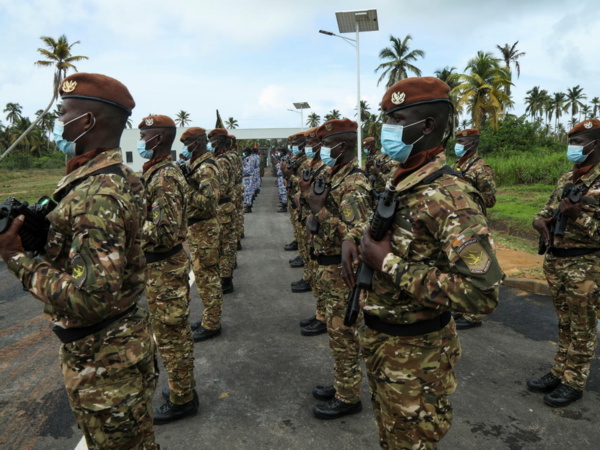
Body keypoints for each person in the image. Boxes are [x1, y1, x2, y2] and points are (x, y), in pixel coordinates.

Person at [342, 77, 503, 448]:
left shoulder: (451, 197)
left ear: (427, 126)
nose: (386, 130)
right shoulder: (403, 181)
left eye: (395, 120)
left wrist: (389, 265)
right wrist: (354, 238)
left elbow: (483, 293)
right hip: (384, 344)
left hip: (418, 356)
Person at [0, 73, 158, 448]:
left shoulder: (97, 192)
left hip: (104, 358)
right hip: (116, 344)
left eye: (63, 114)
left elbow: (91, 300)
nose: (58, 124)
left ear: (85, 122)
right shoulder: (116, 176)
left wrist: (16, 257)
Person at [528, 118, 600, 408]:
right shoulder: (565, 178)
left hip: (586, 266)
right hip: (557, 262)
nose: (573, 148)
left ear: (595, 145)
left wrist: (577, 216)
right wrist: (539, 222)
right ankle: (559, 371)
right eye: (571, 142)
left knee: (582, 326)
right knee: (565, 324)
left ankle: (574, 382)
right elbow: (545, 209)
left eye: (579, 143)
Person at [307, 118, 373, 420]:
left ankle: (348, 396)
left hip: (340, 271)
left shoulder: (353, 182)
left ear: (342, 146)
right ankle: (341, 384)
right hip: (327, 268)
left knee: (344, 336)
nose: (322, 149)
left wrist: (320, 212)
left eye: (327, 144)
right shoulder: (336, 176)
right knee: (337, 336)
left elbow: (356, 233)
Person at [137, 114, 198, 422]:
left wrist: (131, 221)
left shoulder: (164, 177)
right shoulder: (157, 172)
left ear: (157, 139)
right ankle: (181, 387)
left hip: (165, 269)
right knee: (170, 335)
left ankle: (183, 398)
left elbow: (164, 233)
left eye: (143, 135)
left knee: (173, 338)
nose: (139, 141)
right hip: (159, 270)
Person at [180, 127, 224, 342]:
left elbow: (208, 202)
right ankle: (209, 317)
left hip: (205, 228)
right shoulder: (197, 165)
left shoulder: (206, 167)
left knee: (207, 278)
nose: (183, 148)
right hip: (199, 228)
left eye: (185, 143)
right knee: (204, 276)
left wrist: (185, 186)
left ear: (195, 144)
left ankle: (212, 323)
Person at [451, 128, 497, 330]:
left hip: (473, 224)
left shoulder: (481, 168)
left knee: (476, 266)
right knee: (460, 267)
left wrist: (468, 192)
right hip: (457, 223)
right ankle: (462, 307)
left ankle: (474, 315)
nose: (459, 144)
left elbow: (490, 200)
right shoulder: (456, 165)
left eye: (463, 141)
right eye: (458, 140)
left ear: (473, 143)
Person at [298, 126, 329, 337]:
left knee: (326, 277)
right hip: (315, 227)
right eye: (307, 143)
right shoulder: (314, 165)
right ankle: (320, 312)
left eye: (312, 143)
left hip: (326, 232)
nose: (308, 147)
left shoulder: (327, 169)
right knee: (318, 274)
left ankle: (324, 316)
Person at [211, 128, 237, 294]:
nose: (209, 144)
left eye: (211, 140)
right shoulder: (224, 158)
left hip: (222, 206)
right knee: (226, 244)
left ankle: (226, 281)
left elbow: (220, 188)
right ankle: (226, 277)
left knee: (224, 246)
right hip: (225, 205)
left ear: (218, 142)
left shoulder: (221, 161)